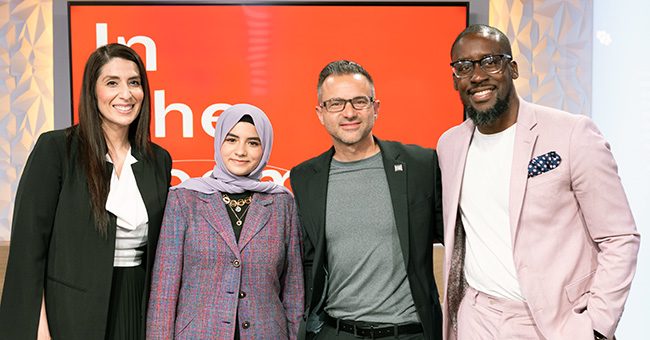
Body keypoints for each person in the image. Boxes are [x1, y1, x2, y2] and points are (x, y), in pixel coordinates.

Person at [438, 24, 640, 340]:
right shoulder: (449, 145)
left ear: (513, 68)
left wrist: (597, 326)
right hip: (476, 318)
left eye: (490, 61)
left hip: (552, 323)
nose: (477, 76)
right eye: (463, 67)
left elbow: (620, 237)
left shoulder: (572, 133)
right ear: (455, 79)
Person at [0, 43, 172, 339]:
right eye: (112, 83)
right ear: (93, 92)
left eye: (134, 82)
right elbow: (28, 253)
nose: (126, 94)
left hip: (139, 312)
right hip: (70, 316)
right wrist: (39, 330)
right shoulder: (56, 150)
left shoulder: (158, 160)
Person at [290, 60, 443, 340]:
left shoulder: (421, 164)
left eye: (359, 101)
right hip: (336, 332)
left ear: (376, 108)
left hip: (410, 333)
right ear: (320, 113)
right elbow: (308, 260)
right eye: (336, 103)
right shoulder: (304, 177)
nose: (349, 112)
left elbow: (460, 240)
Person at [146, 103, 304, 339]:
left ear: (265, 148)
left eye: (253, 142)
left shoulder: (282, 203)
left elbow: (294, 291)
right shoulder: (184, 199)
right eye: (231, 140)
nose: (240, 151)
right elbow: (164, 290)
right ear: (219, 141)